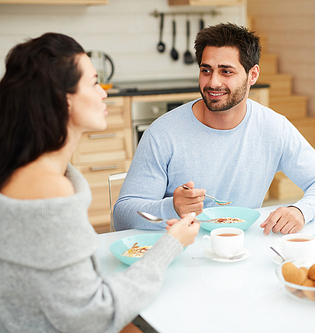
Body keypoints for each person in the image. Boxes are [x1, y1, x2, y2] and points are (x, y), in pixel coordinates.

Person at [0, 33, 200, 333]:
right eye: (94, 83)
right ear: (62, 99)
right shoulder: (48, 190)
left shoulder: (25, 169)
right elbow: (96, 316)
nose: (104, 93)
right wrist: (171, 245)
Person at [113, 23, 315, 235]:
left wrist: (301, 211)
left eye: (226, 71)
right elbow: (122, 215)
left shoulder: (273, 128)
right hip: (178, 251)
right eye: (206, 70)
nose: (213, 82)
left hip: (241, 251)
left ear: (252, 75)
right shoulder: (163, 132)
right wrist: (171, 207)